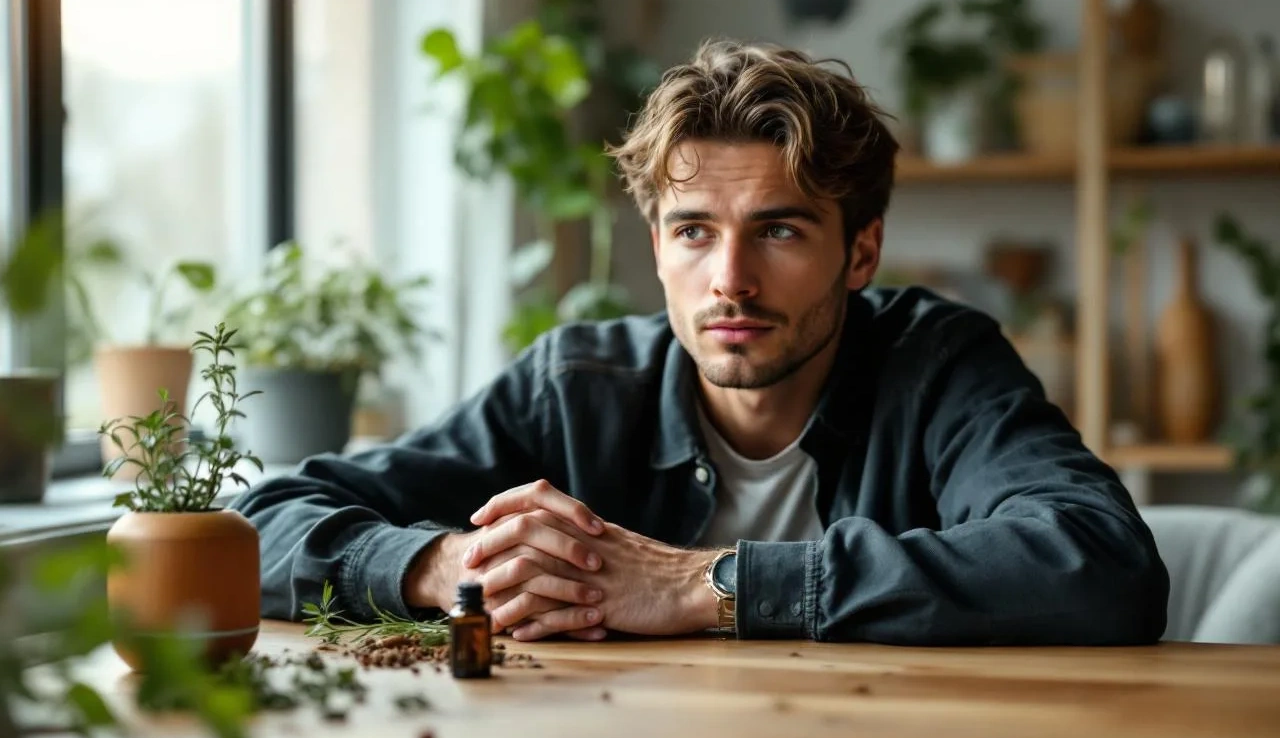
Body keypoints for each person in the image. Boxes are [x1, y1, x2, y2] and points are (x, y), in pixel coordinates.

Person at [234, 40, 1168, 645]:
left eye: (780, 230)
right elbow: (254, 530)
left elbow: (1102, 565)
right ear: (656, 247)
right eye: (693, 232)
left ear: (862, 251)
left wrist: (707, 586)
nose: (730, 278)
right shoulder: (577, 384)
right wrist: (446, 568)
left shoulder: (938, 364)